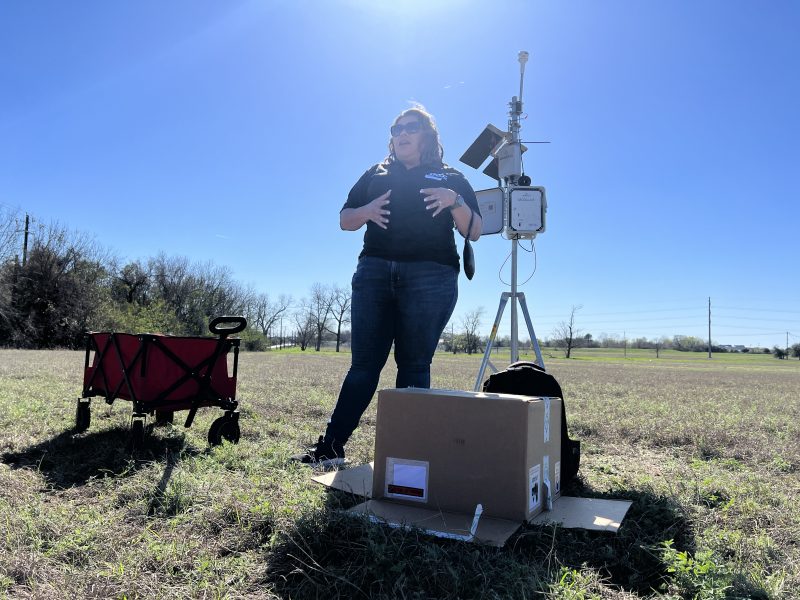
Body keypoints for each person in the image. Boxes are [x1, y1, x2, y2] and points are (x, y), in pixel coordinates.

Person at [293, 106, 482, 467]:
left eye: (411, 127)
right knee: (363, 365)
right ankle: (331, 449)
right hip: (375, 273)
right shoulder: (375, 173)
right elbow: (345, 220)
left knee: (413, 364)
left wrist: (453, 201)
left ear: (426, 135)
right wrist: (366, 211)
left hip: (431, 276)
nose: (402, 133)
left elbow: (473, 229)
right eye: (397, 128)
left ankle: (409, 456)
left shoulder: (450, 176)